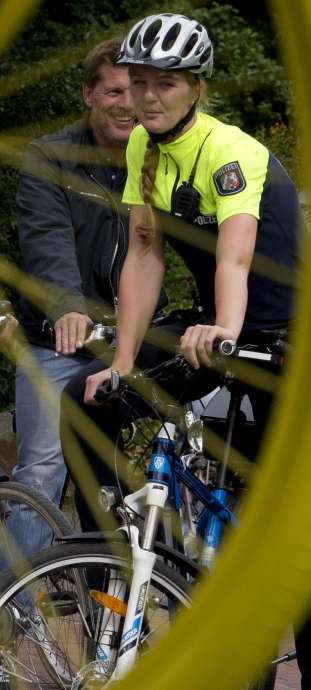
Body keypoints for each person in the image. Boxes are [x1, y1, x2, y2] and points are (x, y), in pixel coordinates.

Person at [58, 14, 311, 689]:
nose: (147, 96)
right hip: (221, 326)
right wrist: (127, 359)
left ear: (195, 87)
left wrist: (222, 326)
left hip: (288, 334)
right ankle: (124, 568)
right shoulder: (143, 149)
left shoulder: (231, 151)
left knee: (304, 529)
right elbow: (143, 250)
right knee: (88, 400)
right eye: (137, 84)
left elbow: (236, 255)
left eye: (164, 84)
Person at [8, 37, 137, 563]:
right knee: (40, 472)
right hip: (56, 341)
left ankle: (118, 606)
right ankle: (11, 610)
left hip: (129, 340)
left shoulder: (156, 160)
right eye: (114, 91)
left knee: (139, 476)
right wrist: (67, 307)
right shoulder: (49, 157)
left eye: (137, 90)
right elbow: (46, 241)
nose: (128, 103)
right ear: (88, 94)